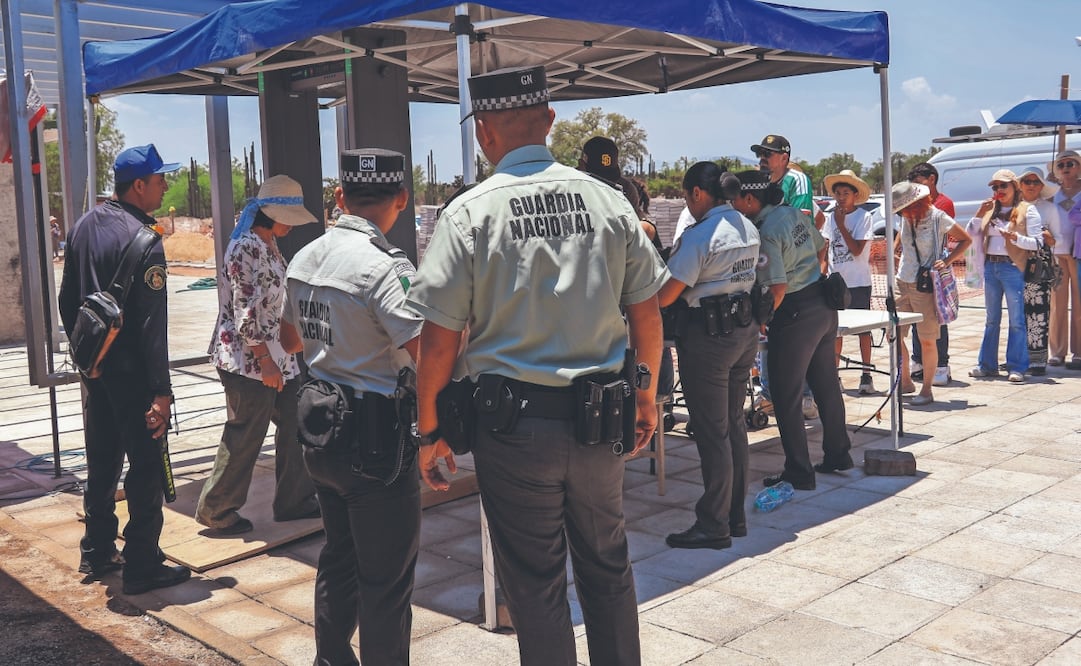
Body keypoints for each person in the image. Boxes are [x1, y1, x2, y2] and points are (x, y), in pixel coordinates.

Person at [407, 65, 666, 666]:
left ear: (483, 132)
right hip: (601, 423)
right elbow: (648, 318)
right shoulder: (610, 202)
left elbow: (438, 342)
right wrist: (645, 397)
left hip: (515, 432)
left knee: (534, 584)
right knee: (608, 567)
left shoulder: (469, 213)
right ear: (549, 121)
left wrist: (429, 430)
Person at [283, 149, 425, 665]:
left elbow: (289, 339)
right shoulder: (386, 267)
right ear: (401, 199)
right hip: (377, 440)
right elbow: (423, 351)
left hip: (322, 428)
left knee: (339, 557)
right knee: (386, 580)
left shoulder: (304, 257)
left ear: (340, 197)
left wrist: (332, 344)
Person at [58, 144, 191, 595]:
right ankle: (142, 564)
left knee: (102, 460)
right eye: (159, 180)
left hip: (96, 371)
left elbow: (67, 300)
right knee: (147, 467)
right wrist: (162, 392)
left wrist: (87, 359)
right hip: (134, 376)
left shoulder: (82, 227)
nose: (165, 187)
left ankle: (97, 550)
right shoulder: (146, 241)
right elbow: (153, 327)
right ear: (139, 185)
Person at [196, 175, 320, 536]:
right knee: (247, 431)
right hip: (248, 361)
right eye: (288, 218)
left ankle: (294, 500)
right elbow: (244, 309)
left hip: (278, 358)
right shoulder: (245, 247)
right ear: (272, 213)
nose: (291, 226)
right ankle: (217, 509)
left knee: (296, 423)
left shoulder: (268, 244)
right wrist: (264, 360)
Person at [657, 164, 759, 549]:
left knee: (712, 432)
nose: (687, 203)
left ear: (698, 193)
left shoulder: (700, 236)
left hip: (709, 339)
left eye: (686, 196)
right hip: (743, 332)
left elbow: (667, 295)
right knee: (733, 425)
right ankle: (735, 516)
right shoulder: (747, 226)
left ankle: (714, 524)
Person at [730, 170, 848, 491]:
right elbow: (821, 246)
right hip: (822, 305)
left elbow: (777, 287)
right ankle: (838, 454)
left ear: (750, 199)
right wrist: (812, 275)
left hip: (794, 314)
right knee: (826, 385)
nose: (733, 205)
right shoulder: (793, 213)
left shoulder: (766, 231)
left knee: (785, 396)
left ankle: (799, 471)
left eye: (735, 199)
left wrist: (762, 318)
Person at [750, 134, 818, 419]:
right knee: (770, 334)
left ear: (784, 158)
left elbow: (800, 219)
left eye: (768, 154)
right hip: (770, 266)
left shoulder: (796, 180)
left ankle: (805, 397)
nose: (762, 159)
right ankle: (770, 394)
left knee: (799, 341)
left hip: (796, 270)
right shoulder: (763, 182)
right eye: (760, 154)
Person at [891, 182, 971, 404]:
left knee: (927, 338)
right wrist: (896, 249)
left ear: (916, 203)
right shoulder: (905, 218)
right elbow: (902, 239)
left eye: (905, 208)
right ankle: (905, 381)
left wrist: (947, 260)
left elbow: (966, 239)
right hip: (902, 281)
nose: (902, 213)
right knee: (894, 335)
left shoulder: (938, 217)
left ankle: (926, 389)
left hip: (925, 285)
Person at [968, 169, 1042, 383]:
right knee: (991, 319)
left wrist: (1015, 237)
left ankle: (1017, 366)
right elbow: (970, 233)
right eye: (995, 186)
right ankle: (986, 365)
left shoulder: (1027, 210)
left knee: (1017, 320)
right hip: (991, 266)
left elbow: (1037, 242)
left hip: (1012, 267)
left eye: (1003, 185)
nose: (998, 190)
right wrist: (979, 213)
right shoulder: (990, 209)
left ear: (1014, 187)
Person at [821, 169, 876, 394]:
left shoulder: (864, 217)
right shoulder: (829, 217)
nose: (841, 197)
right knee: (835, 331)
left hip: (858, 282)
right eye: (838, 193)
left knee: (863, 331)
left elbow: (856, 250)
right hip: (836, 282)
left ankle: (866, 374)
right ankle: (834, 376)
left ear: (855, 195)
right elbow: (826, 248)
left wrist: (842, 225)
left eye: (846, 193)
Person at [906, 163, 955, 385]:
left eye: (920, 182)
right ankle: (918, 361)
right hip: (914, 271)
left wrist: (946, 262)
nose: (916, 187)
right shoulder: (912, 203)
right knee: (916, 319)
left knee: (937, 319)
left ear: (932, 179)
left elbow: (949, 235)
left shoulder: (943, 204)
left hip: (934, 271)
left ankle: (941, 364)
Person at [1017, 167, 1060, 376]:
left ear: (1042, 186)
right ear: (1020, 185)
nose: (1031, 185)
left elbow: (1058, 238)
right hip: (1014, 262)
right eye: (1027, 181)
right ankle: (1017, 357)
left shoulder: (1049, 209)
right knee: (1017, 313)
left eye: (1036, 182)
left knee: (1038, 311)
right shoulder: (1013, 207)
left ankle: (1037, 360)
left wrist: (1050, 239)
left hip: (1038, 265)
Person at [1050, 150, 1081, 370]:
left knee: (1079, 303)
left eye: (1070, 163)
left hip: (1078, 254)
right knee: (1057, 304)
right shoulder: (1051, 193)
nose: (1066, 168)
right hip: (1057, 253)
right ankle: (1057, 351)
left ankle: (1079, 351)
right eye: (1061, 165)